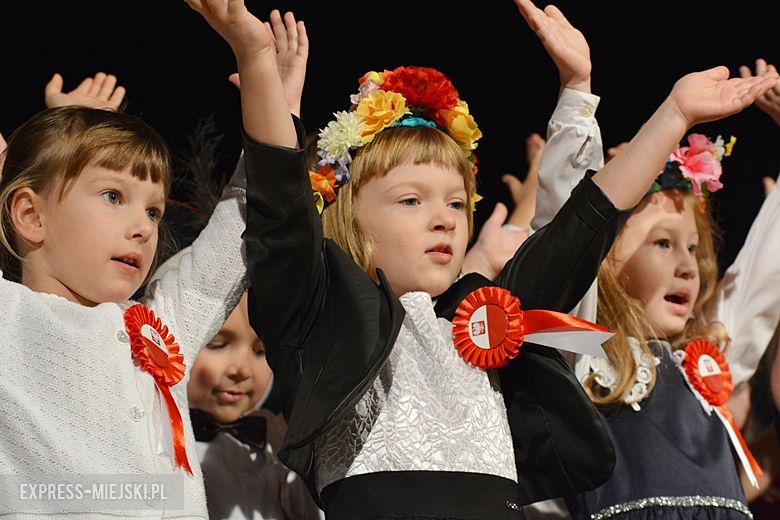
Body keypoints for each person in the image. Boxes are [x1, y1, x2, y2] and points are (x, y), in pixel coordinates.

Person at [187, 1, 776, 518]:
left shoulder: (488, 320)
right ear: (347, 217)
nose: (445, 218)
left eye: (454, 202)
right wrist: (256, 58)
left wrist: (673, 114)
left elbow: (583, 227)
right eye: (411, 200)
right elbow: (281, 212)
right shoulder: (320, 319)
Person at [517, 1, 780, 516]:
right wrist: (577, 92)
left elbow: (765, 273)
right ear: (607, 258)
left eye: (694, 248)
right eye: (663, 243)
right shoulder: (585, 353)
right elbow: (564, 238)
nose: (689, 266)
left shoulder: (708, 363)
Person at [0, 62, 255, 520]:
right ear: (31, 216)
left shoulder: (164, 323)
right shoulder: (9, 314)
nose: (143, 227)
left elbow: (243, 215)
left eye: (154, 212)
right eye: (113, 197)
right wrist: (53, 138)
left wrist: (271, 103)